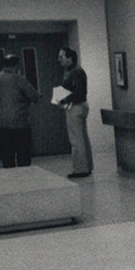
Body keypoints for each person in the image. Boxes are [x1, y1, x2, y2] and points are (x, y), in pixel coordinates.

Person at [0, 54, 39, 168]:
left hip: (1, 124)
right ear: (17, 65)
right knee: (23, 156)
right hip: (19, 123)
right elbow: (34, 96)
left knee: (7, 156)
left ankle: (10, 182)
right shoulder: (18, 78)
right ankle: (24, 181)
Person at [55, 47, 93, 178]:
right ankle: (86, 166)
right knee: (82, 137)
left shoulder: (75, 72)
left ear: (70, 58)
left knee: (76, 139)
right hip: (79, 106)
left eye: (62, 56)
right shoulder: (73, 71)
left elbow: (78, 93)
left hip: (75, 107)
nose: (59, 60)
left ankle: (80, 169)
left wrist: (62, 99)